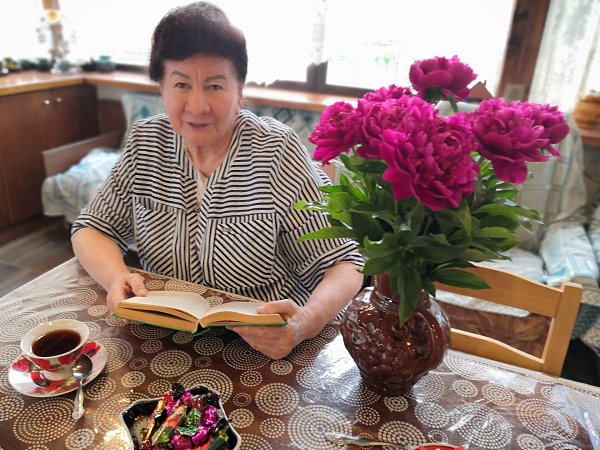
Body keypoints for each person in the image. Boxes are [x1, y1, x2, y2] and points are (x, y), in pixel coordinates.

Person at [71, 1, 364, 359]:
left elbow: (345, 262)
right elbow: (91, 228)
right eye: (181, 84)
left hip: (263, 349)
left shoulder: (276, 150)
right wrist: (116, 276)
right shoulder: (146, 142)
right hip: (166, 339)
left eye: (214, 86)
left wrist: (305, 322)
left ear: (239, 92)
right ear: (162, 88)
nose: (197, 106)